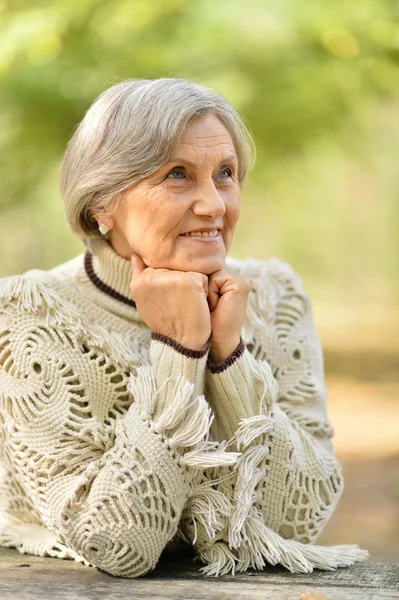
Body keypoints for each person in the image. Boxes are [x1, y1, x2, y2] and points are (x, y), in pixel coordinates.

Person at [0, 77, 369, 578]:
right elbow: (116, 546)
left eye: (225, 173)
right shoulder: (27, 314)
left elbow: (297, 523)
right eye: (177, 174)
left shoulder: (274, 294)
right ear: (101, 204)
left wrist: (229, 356)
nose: (214, 204)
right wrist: (178, 351)